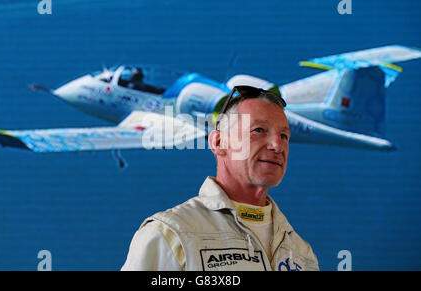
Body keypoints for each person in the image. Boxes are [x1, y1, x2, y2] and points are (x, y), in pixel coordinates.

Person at [121, 85, 319, 271]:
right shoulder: (171, 235)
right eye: (258, 130)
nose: (277, 145)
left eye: (284, 136)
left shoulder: (300, 251)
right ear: (218, 141)